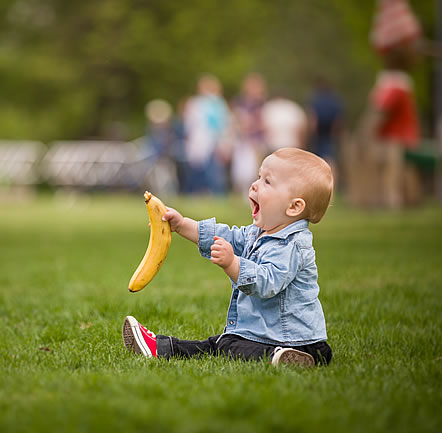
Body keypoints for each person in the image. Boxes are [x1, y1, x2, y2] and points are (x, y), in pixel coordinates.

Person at [123, 147, 334, 367]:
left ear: (294, 206)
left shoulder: (292, 245)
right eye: (259, 176)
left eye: (267, 182)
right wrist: (183, 224)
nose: (254, 184)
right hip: (272, 338)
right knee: (223, 344)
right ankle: (159, 347)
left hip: (298, 342)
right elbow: (227, 236)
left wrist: (233, 263)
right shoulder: (258, 233)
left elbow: (267, 282)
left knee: (225, 346)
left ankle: (281, 358)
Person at [347, 0, 422, 208]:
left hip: (395, 143)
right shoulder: (400, 83)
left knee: (364, 150)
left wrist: (361, 136)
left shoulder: (394, 84)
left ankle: (380, 200)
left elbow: (377, 115)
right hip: (398, 141)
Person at [183, 74, 229, 195]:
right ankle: (199, 191)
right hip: (200, 140)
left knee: (212, 170)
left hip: (211, 142)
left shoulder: (216, 104)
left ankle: (214, 192)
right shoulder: (199, 103)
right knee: (200, 169)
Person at [229, 73, 266, 194]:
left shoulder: (262, 104)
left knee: (255, 169)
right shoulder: (240, 102)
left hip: (256, 140)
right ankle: (239, 193)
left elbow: (263, 123)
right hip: (242, 139)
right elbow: (234, 120)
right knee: (240, 171)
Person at [308, 77, 343, 175]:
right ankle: (332, 181)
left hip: (318, 134)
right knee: (330, 159)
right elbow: (338, 120)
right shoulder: (335, 101)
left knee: (316, 160)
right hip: (330, 134)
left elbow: (313, 118)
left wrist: (311, 135)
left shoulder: (315, 100)